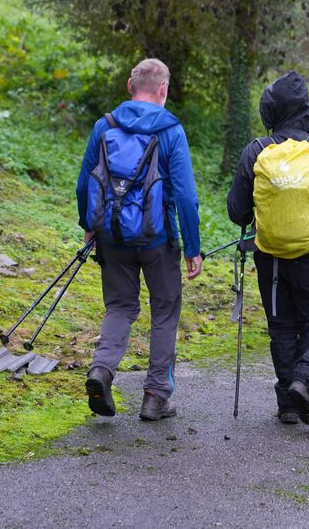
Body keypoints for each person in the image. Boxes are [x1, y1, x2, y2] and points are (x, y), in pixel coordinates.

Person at [227, 71, 309, 426]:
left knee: (281, 326)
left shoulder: (256, 151)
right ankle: (305, 383)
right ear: (304, 112)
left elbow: (236, 211)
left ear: (269, 111)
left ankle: (288, 401)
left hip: (270, 257)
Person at [77, 58, 203, 421]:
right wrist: (193, 248)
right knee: (164, 311)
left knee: (119, 307)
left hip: (112, 236)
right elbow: (186, 197)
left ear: (129, 86)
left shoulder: (105, 125)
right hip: (157, 239)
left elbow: (84, 183)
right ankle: (155, 396)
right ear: (163, 89)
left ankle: (101, 371)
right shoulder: (171, 131)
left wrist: (89, 225)